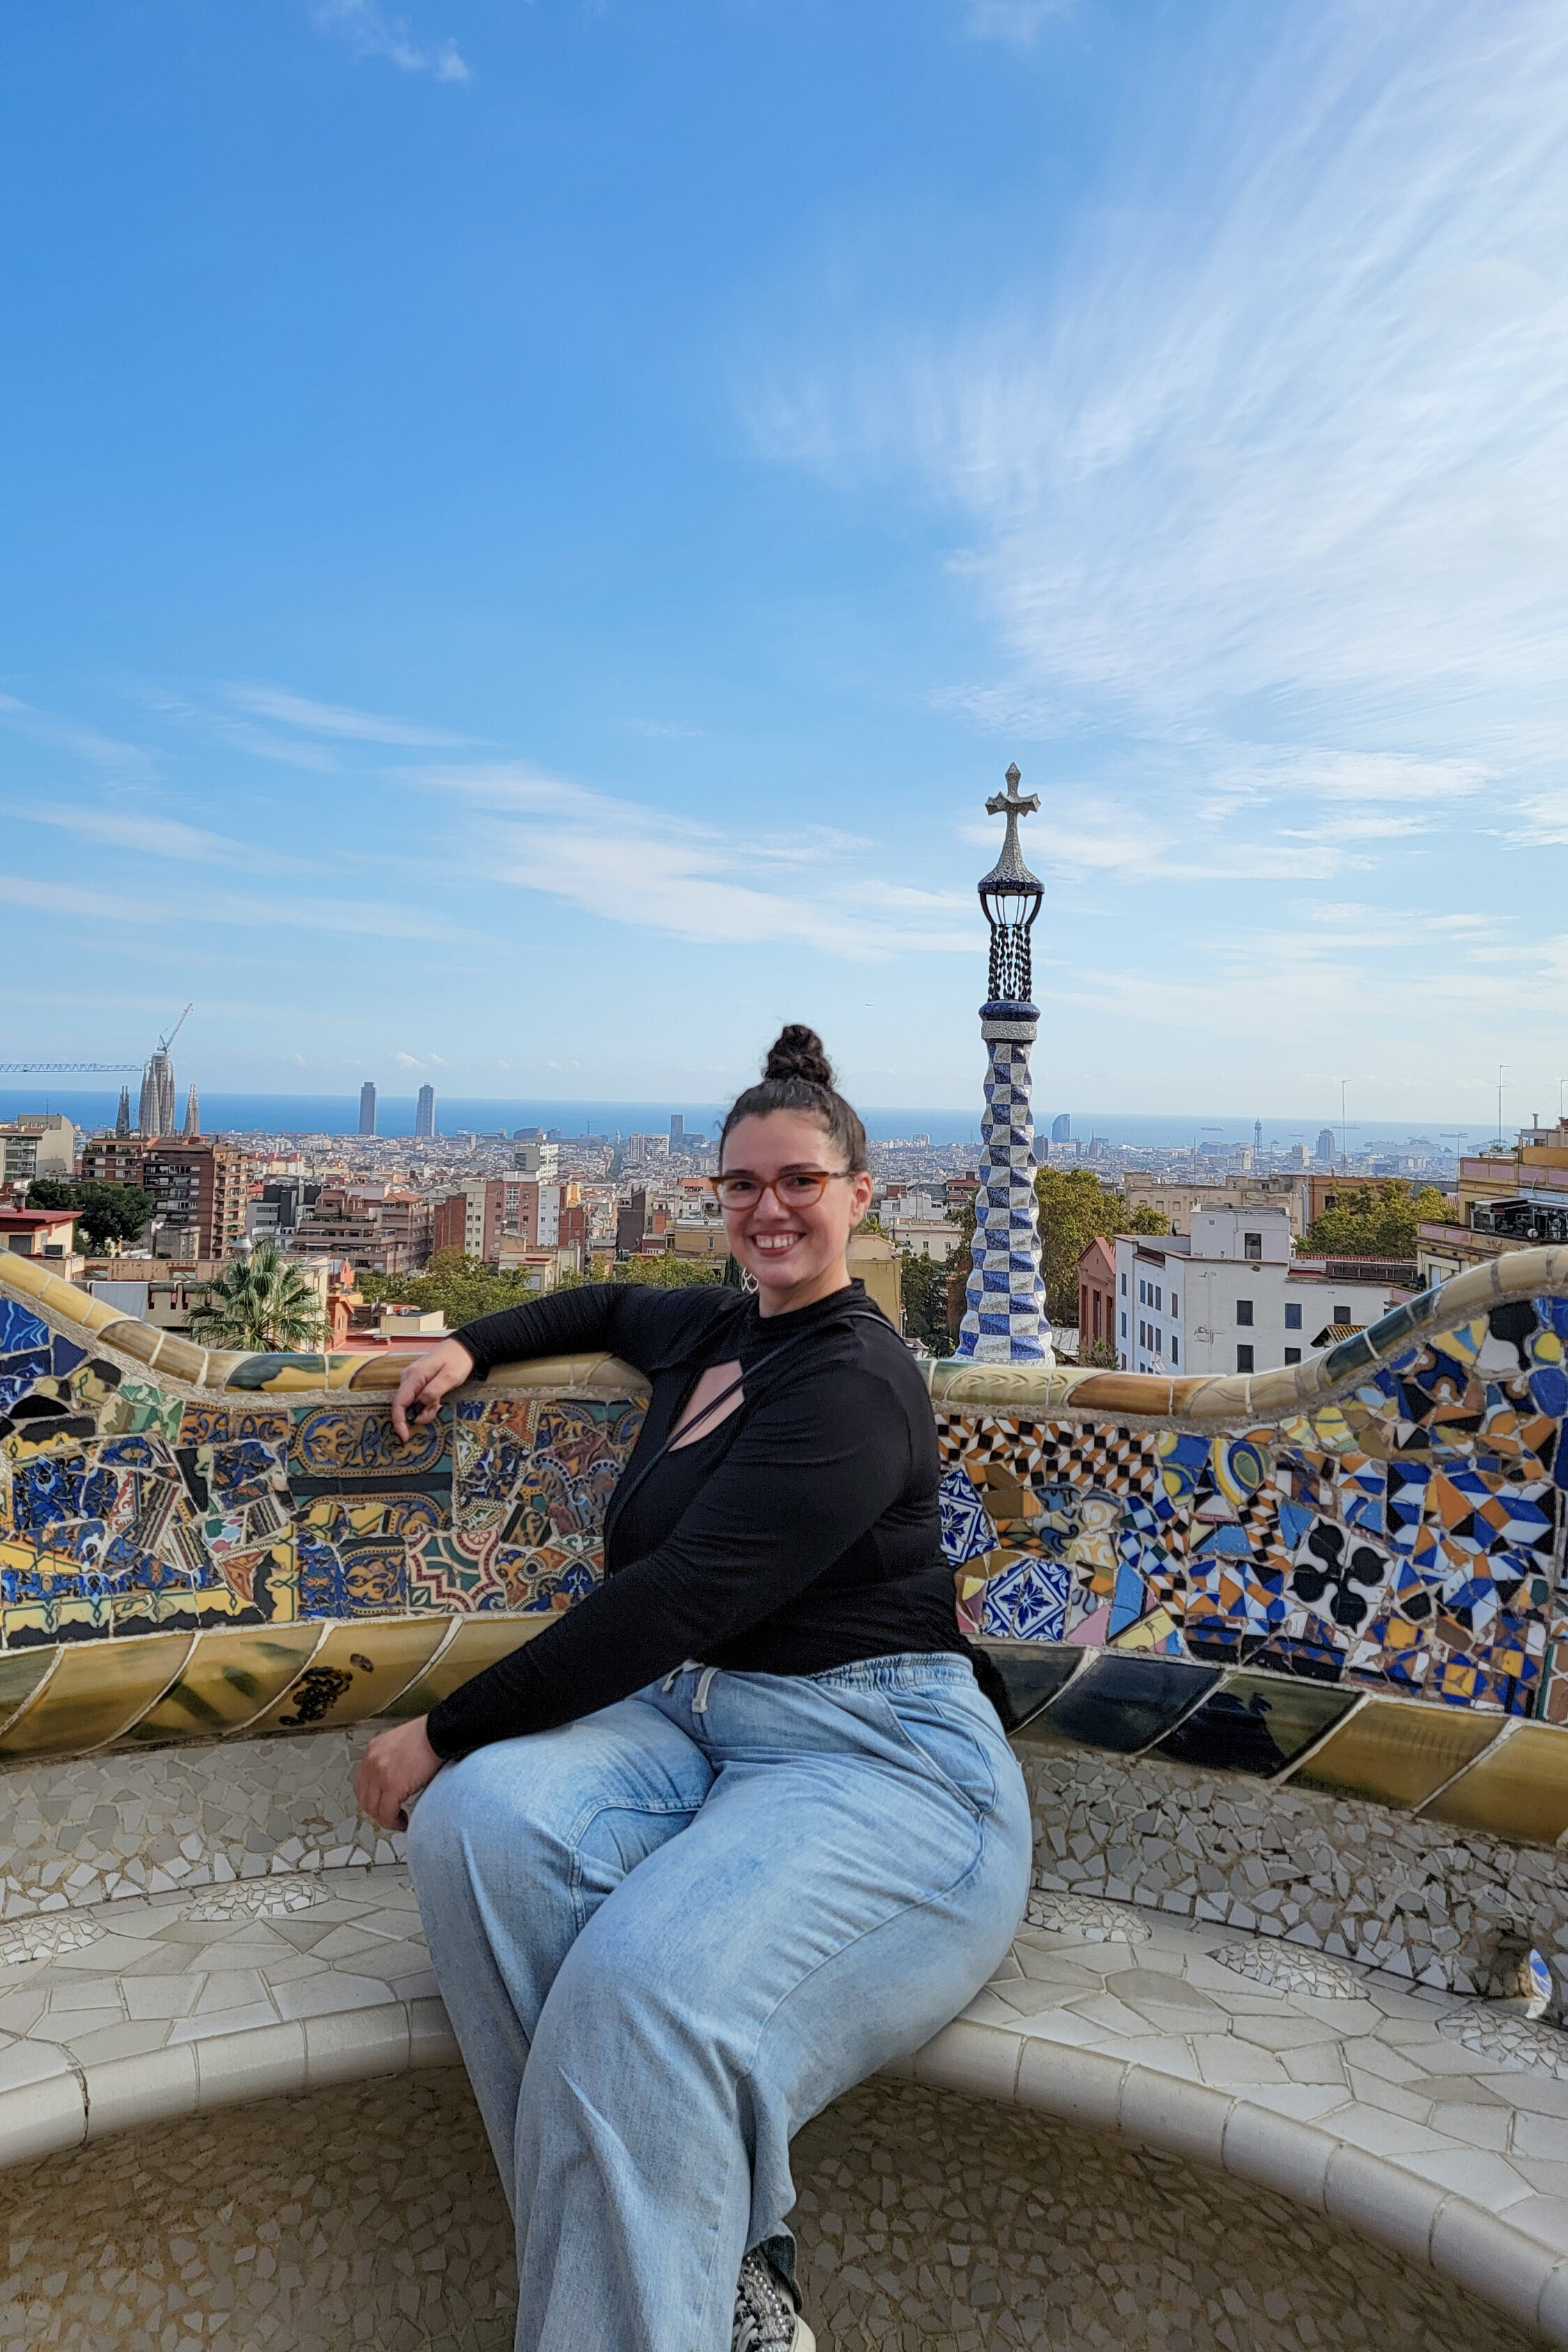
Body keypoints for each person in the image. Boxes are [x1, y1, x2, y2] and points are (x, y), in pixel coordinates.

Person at [354, 1026, 1032, 2352]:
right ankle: (728, 2263)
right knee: (477, 1836)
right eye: (740, 1185)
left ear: (858, 1195)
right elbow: (600, 1307)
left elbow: (669, 1601)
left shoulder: (857, 1380)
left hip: (883, 1757)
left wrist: (441, 1727)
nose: (767, 1209)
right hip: (698, 1721)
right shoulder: (715, 1326)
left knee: (638, 2000)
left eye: (797, 1182)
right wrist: (469, 1345)